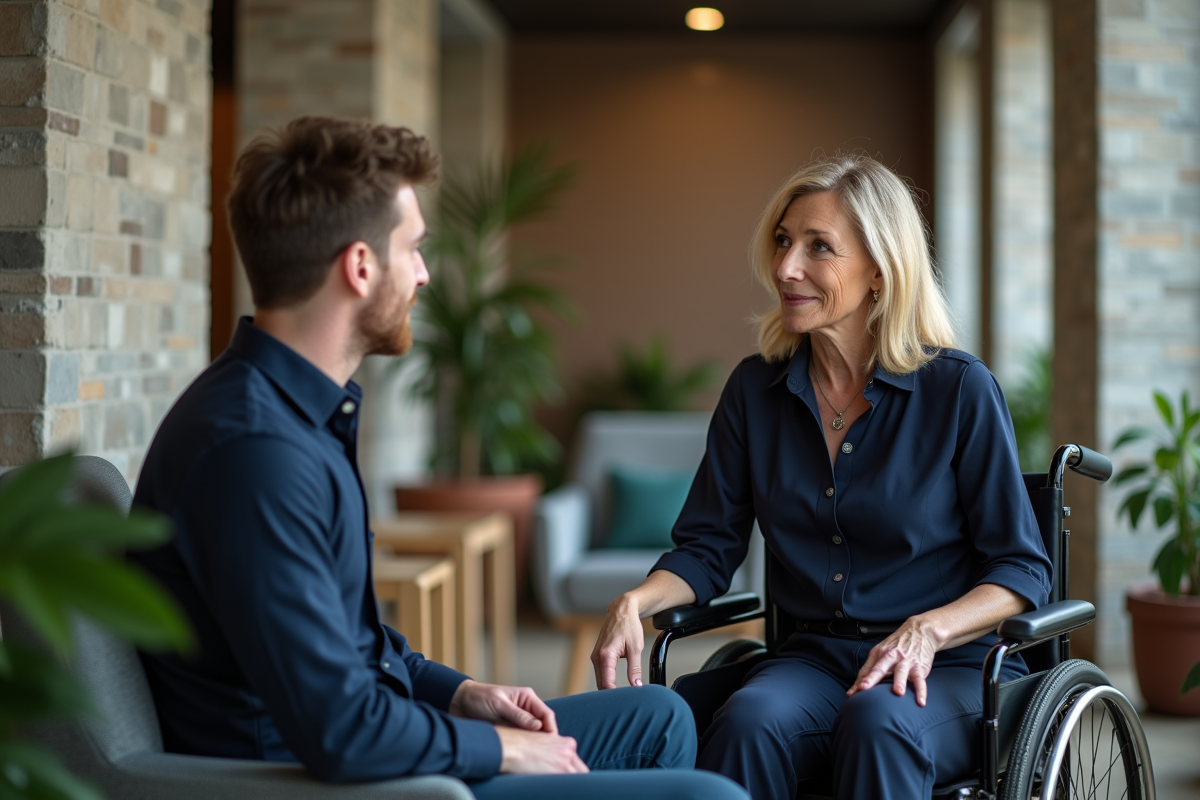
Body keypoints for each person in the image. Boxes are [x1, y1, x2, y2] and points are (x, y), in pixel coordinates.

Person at [130, 116, 747, 800]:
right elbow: (339, 731)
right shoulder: (254, 454)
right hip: (329, 785)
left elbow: (357, 642)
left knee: (655, 719)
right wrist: (498, 750)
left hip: (386, 744)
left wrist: (462, 693)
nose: (425, 274)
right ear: (360, 267)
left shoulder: (294, 416)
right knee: (710, 797)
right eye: (414, 249)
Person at [591, 154, 1052, 800]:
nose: (786, 268)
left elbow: (1023, 570)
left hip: (945, 667)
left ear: (879, 273)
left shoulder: (959, 392)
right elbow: (706, 547)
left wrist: (928, 628)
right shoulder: (755, 391)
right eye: (783, 242)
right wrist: (634, 603)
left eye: (818, 248)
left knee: (877, 724)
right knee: (750, 721)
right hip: (811, 659)